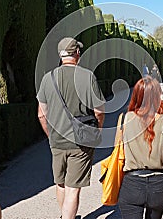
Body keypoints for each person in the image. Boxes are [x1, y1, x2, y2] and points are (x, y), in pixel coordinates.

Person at [37, 37, 105, 219]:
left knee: (60, 184)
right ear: (77, 54)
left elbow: (41, 114)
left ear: (60, 56)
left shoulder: (47, 78)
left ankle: (65, 215)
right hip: (81, 142)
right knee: (73, 189)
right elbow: (99, 111)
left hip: (57, 141)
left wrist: (50, 135)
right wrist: (97, 131)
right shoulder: (87, 76)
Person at [118, 76, 163, 219]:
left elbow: (119, 150)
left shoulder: (125, 119)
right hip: (158, 186)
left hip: (131, 184)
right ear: (157, 96)